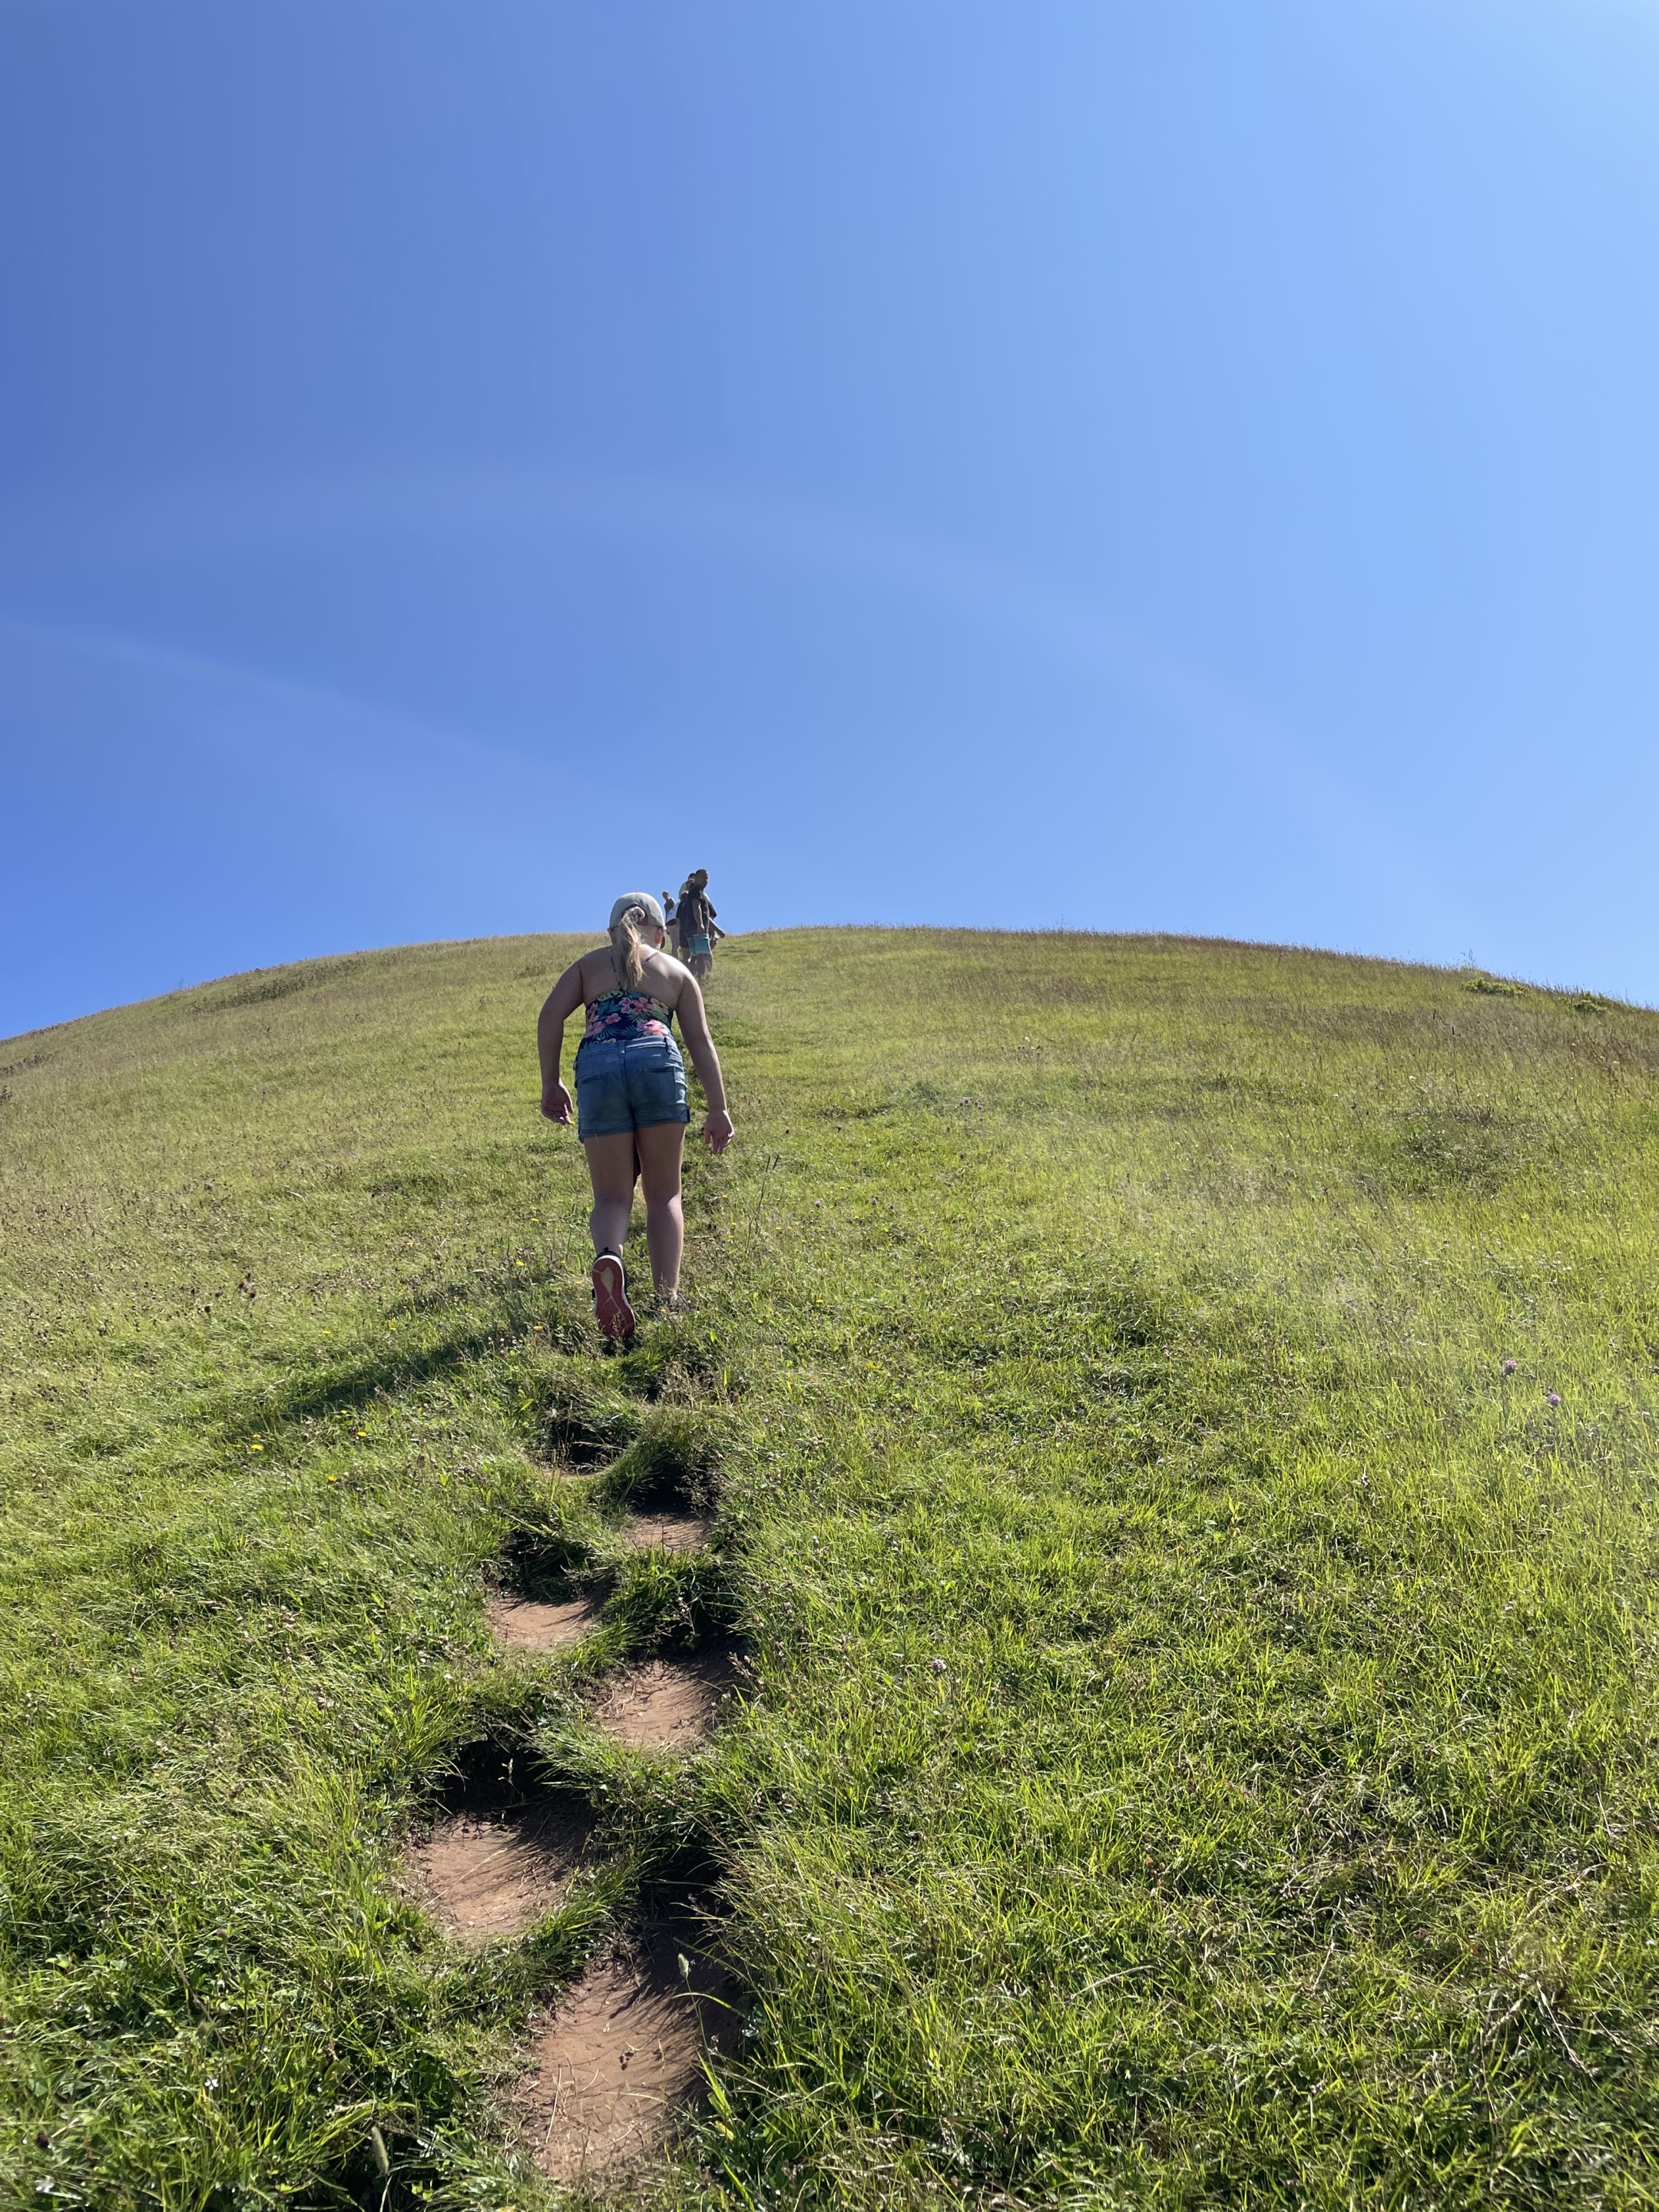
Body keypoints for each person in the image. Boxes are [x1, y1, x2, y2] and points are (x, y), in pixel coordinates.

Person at [537, 893, 733, 1341]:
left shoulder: (589, 966)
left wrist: (551, 1083)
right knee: (664, 1194)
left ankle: (610, 1255)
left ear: (611, 933)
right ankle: (667, 1300)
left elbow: (550, 1016)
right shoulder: (675, 971)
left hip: (599, 1067)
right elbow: (700, 1042)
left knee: (611, 1196)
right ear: (661, 934)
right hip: (657, 1062)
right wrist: (718, 1108)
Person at [676, 869, 724, 980]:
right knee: (702, 955)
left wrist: (717, 930)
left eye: (707, 878)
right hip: (697, 928)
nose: (705, 880)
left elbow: (705, 915)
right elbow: (696, 907)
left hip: (690, 928)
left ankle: (691, 979)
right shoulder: (697, 891)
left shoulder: (695, 892)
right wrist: (700, 924)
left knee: (694, 956)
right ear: (696, 878)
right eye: (702, 877)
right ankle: (701, 979)